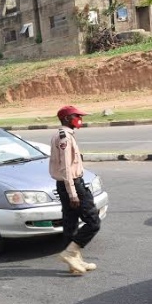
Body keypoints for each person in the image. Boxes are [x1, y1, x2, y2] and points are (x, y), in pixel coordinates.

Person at [49, 105, 100, 275]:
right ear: (66, 119)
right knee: (93, 222)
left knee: (70, 223)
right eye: (76, 116)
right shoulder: (65, 137)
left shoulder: (62, 135)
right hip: (71, 184)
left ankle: (74, 263)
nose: (80, 119)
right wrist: (73, 193)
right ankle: (70, 253)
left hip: (65, 184)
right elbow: (66, 168)